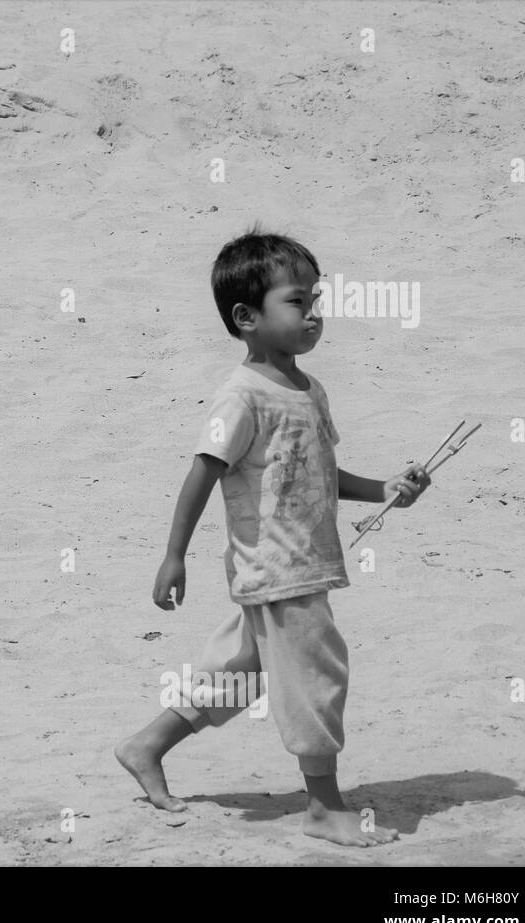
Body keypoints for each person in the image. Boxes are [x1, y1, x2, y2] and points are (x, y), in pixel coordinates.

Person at [115, 228, 431, 847]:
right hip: (281, 568)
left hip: (301, 562)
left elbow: (318, 470)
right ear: (246, 317)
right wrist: (173, 556)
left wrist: (386, 488)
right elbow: (203, 469)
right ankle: (324, 806)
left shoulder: (310, 391)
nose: (314, 313)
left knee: (241, 671)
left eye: (318, 298)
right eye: (297, 300)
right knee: (316, 675)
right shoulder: (241, 397)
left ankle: (146, 745)